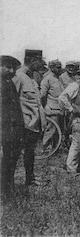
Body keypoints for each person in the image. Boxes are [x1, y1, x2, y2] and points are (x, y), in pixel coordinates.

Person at [12, 53, 47, 186]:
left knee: (29, 152)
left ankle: (30, 178)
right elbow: (11, 100)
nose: (41, 65)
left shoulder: (31, 77)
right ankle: (8, 183)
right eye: (39, 62)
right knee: (14, 155)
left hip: (33, 124)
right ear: (32, 60)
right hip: (23, 125)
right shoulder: (19, 76)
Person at [1, 56, 24, 201]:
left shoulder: (8, 83)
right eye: (8, 67)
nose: (11, 71)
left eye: (13, 68)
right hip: (5, 131)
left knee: (10, 161)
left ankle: (8, 188)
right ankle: (4, 191)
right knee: (6, 161)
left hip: (12, 131)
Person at [40, 59, 64, 153]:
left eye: (60, 67)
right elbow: (42, 95)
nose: (60, 69)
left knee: (58, 132)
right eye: (58, 67)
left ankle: (55, 149)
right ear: (52, 68)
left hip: (60, 108)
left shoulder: (59, 78)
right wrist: (44, 107)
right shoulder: (47, 79)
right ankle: (45, 148)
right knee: (50, 130)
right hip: (52, 109)